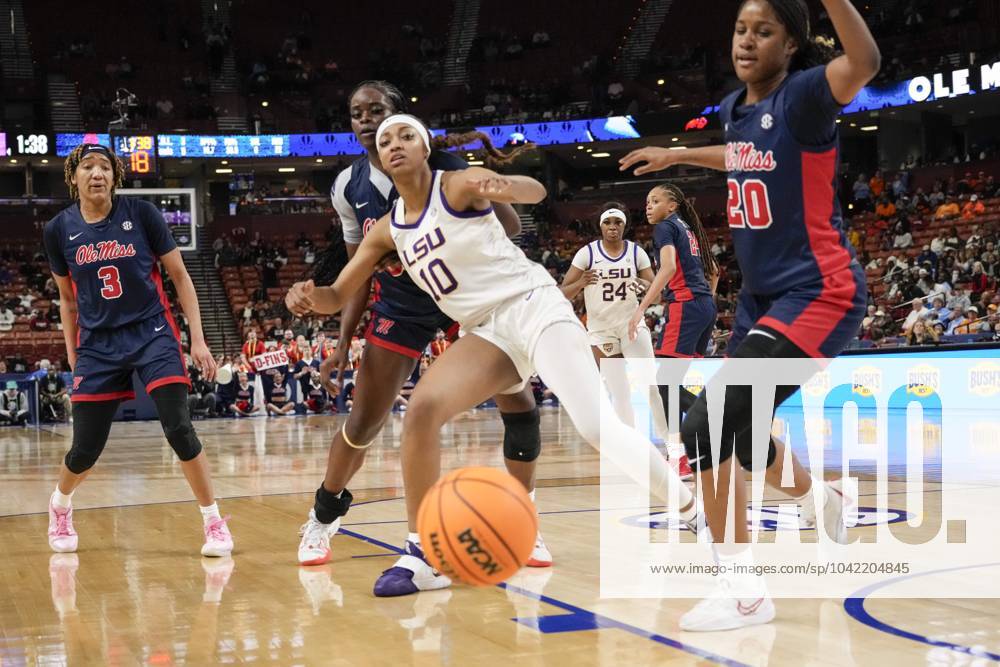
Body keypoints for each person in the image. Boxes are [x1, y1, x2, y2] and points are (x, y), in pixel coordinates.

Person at [286, 113, 702, 598]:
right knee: (421, 410)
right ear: (379, 159)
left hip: (535, 307)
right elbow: (338, 294)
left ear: (424, 149)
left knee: (596, 426)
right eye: (384, 141)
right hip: (488, 331)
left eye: (405, 136)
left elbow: (534, 193)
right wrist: (311, 298)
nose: (394, 144)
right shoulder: (386, 230)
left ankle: (694, 514)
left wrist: (500, 182)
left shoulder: (458, 184)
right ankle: (423, 554)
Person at [620, 0, 879, 631]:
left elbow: (865, 61)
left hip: (818, 291)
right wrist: (677, 155)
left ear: (791, 46)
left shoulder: (808, 95)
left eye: (764, 32)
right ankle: (825, 501)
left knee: (708, 422)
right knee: (742, 430)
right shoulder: (739, 109)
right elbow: (743, 155)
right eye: (741, 28)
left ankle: (743, 591)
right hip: (764, 299)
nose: (746, 41)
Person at [299, 80, 549, 570]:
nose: (367, 120)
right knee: (364, 421)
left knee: (518, 401)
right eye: (356, 112)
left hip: (468, 295)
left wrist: (470, 204)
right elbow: (358, 273)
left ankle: (526, 518)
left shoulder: (448, 168)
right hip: (403, 304)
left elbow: (513, 227)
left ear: (402, 119)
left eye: (377, 110)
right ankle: (323, 518)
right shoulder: (348, 187)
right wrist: (341, 342)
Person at [42, 143, 233, 557]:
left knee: (179, 428)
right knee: (85, 448)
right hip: (98, 343)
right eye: (87, 167)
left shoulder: (142, 215)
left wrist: (197, 339)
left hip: (153, 332)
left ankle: (214, 521)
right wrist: (73, 352)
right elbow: (67, 299)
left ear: (116, 177)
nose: (97, 173)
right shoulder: (58, 229)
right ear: (73, 178)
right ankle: (60, 505)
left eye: (105, 167)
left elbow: (180, 277)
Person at [630, 185, 719, 467]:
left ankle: (709, 429)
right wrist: (706, 301)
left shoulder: (666, 228)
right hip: (702, 305)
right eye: (647, 201)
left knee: (665, 385)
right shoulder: (688, 228)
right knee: (670, 384)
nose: (648, 206)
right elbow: (714, 270)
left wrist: (642, 307)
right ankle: (688, 448)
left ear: (672, 206)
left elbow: (667, 268)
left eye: (655, 201)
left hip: (686, 306)